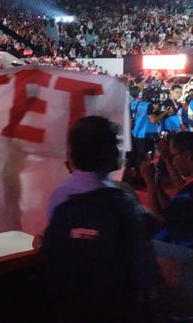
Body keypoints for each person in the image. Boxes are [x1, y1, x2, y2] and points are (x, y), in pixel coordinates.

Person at [41, 116, 162, 322]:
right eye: (116, 143)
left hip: (75, 304)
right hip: (118, 305)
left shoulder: (61, 195)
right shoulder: (123, 197)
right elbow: (142, 260)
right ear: (107, 152)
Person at [140, 131, 193, 248]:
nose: (173, 162)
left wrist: (150, 183)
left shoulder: (187, 195)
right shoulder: (186, 193)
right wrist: (155, 181)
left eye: (173, 156)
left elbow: (161, 220)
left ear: (188, 155)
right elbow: (174, 204)